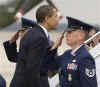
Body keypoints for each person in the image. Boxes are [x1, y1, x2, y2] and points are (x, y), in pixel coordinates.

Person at [9, 5, 63, 87]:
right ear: (47, 19)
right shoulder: (40, 37)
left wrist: (53, 49)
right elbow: (32, 70)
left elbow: (41, 64)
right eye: (55, 17)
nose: (58, 20)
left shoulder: (32, 33)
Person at [46, 16, 98, 87]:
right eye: (67, 32)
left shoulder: (85, 58)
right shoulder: (67, 54)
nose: (66, 35)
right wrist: (55, 47)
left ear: (80, 35)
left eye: (70, 32)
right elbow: (48, 65)